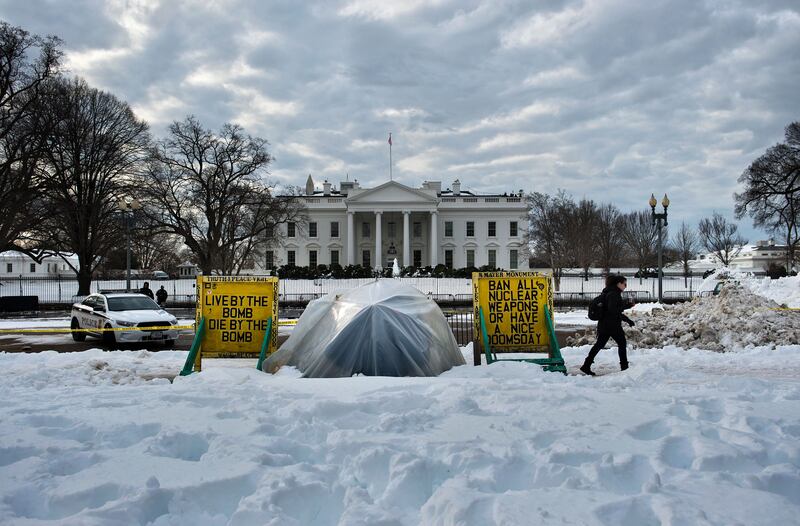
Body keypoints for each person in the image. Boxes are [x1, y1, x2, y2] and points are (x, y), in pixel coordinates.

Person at [581, 275, 635, 375]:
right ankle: (624, 367)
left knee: (599, 345)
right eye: (624, 284)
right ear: (618, 284)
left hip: (604, 324)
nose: (625, 286)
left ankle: (586, 365)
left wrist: (627, 320)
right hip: (612, 325)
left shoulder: (608, 292)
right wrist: (626, 306)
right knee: (622, 344)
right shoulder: (614, 294)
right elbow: (613, 310)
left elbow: (612, 310)